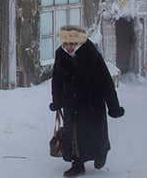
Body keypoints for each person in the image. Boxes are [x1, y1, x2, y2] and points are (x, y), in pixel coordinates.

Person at [49, 25, 124, 176]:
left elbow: (106, 81)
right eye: (65, 44)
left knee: (95, 132)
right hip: (71, 103)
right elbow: (56, 80)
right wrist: (57, 101)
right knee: (73, 134)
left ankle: (101, 152)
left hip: (92, 102)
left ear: (79, 42)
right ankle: (77, 164)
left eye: (72, 44)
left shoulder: (91, 53)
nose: (69, 47)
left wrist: (113, 107)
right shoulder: (60, 54)